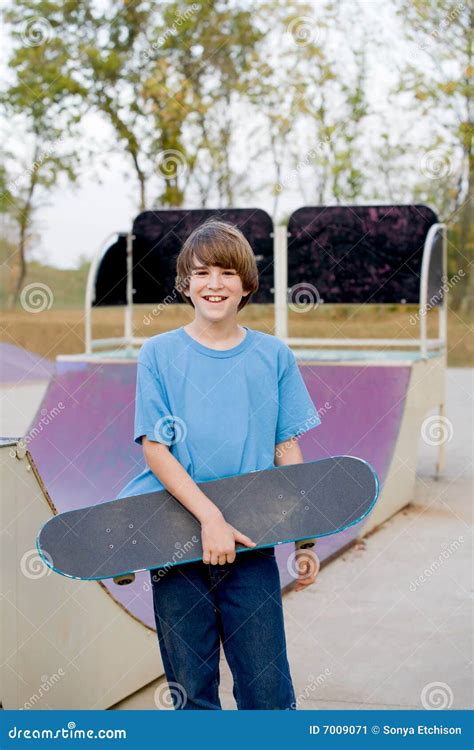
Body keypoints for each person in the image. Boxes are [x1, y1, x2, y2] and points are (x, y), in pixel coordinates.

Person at [117, 219, 322, 710]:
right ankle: (123, 546)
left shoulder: (272, 355)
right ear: (185, 284)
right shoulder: (159, 354)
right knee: (192, 690)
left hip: (251, 541)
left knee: (267, 690)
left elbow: (285, 446)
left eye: (227, 273)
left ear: (246, 284)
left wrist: (306, 536)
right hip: (176, 538)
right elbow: (155, 447)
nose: (214, 284)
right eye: (202, 273)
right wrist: (209, 518)